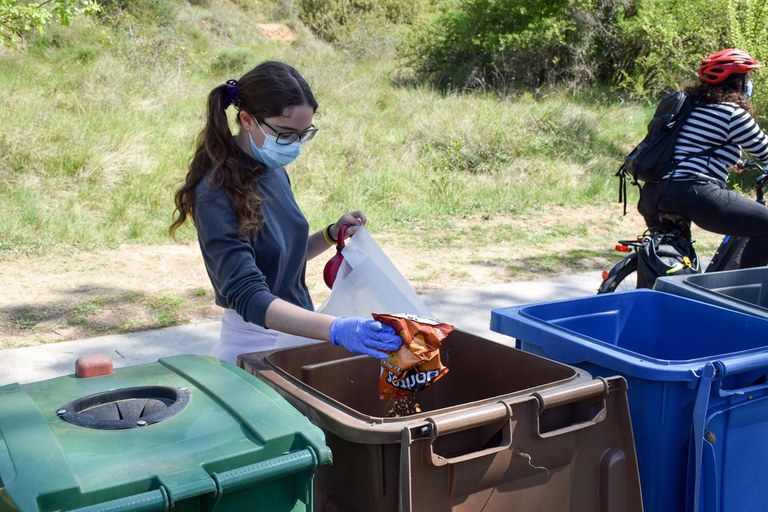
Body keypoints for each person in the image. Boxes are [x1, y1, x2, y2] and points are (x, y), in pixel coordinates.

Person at [169, 61, 402, 363]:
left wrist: (330, 235)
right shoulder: (216, 193)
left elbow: (279, 258)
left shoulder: (271, 169)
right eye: (286, 133)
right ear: (247, 119)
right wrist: (338, 328)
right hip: (256, 342)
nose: (295, 146)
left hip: (294, 331)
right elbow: (249, 296)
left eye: (303, 134)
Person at [638, 48, 768, 268]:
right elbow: (764, 150)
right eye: (748, 77)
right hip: (695, 194)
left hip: (653, 194)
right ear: (738, 82)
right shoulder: (732, 113)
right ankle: (745, 292)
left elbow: (690, 147)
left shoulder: (689, 107)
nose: (749, 83)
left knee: (674, 261)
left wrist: (730, 161)